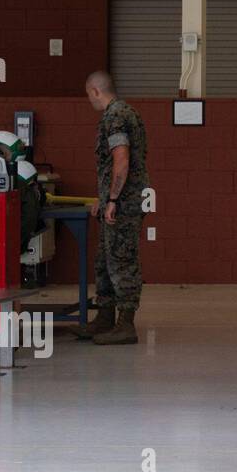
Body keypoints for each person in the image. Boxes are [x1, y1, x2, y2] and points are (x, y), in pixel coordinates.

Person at [79, 71, 149, 345]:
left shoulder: (115, 116)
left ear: (96, 91)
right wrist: (104, 196)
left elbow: (121, 159)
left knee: (121, 261)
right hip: (119, 199)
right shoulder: (127, 112)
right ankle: (105, 319)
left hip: (124, 203)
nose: (90, 100)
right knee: (105, 260)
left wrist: (113, 200)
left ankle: (125, 325)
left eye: (89, 95)